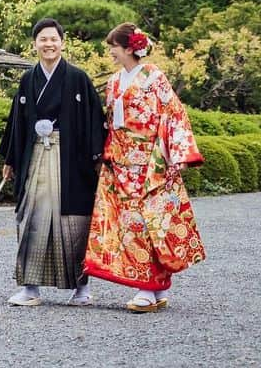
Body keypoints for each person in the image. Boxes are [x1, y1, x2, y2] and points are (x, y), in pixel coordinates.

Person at [82, 22, 206, 313]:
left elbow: (174, 113)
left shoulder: (154, 77)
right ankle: (154, 286)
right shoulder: (114, 82)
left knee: (148, 223)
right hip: (119, 160)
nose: (110, 52)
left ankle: (147, 288)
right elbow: (110, 122)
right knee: (127, 224)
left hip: (150, 162)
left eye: (113, 47)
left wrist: (177, 154)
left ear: (129, 47)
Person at [0, 18, 106, 307]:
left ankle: (81, 288)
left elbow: (95, 120)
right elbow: (16, 123)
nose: (48, 44)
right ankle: (30, 288)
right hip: (35, 154)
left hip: (71, 159)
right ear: (35, 44)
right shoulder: (28, 79)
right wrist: (10, 158)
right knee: (31, 218)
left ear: (63, 42)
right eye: (43, 39)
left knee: (74, 221)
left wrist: (98, 158)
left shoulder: (78, 78)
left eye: (53, 39)